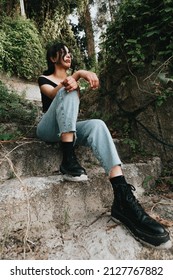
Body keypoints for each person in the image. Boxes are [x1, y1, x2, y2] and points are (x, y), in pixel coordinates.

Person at [36, 42, 171, 249]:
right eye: (64, 53)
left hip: (67, 129)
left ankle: (122, 197)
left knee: (97, 125)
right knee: (68, 88)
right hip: (47, 129)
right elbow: (54, 94)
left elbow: (71, 114)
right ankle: (68, 159)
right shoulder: (45, 80)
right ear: (53, 58)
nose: (69, 56)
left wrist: (74, 81)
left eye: (70, 53)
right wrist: (78, 74)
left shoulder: (72, 84)